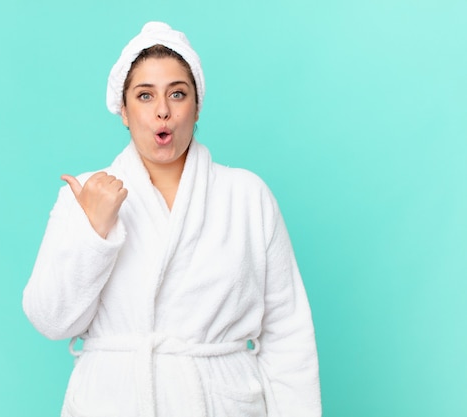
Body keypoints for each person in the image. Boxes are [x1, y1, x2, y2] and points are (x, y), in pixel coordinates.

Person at [23, 21, 321, 417]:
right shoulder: (85, 195)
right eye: (145, 96)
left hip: (218, 402)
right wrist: (93, 232)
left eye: (177, 94)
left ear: (196, 106)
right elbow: (51, 321)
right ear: (123, 111)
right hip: (113, 403)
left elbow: (289, 336)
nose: (162, 111)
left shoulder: (247, 196)